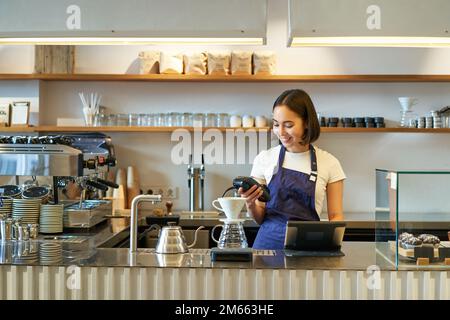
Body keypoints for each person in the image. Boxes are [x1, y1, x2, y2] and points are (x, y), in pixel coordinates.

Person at [239, 89, 346, 249]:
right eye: (276, 124)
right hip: (267, 250)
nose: (280, 132)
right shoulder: (264, 159)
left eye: (288, 125)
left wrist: (331, 246)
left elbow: (336, 215)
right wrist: (250, 204)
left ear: (307, 123)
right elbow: (260, 218)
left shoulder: (329, 163)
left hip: (309, 250)